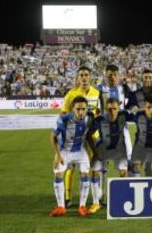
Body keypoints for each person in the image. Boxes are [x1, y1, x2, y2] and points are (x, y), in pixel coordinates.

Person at [61, 66, 100, 209]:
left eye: (86, 74)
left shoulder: (96, 92)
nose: (84, 77)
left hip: (92, 134)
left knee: (94, 165)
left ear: (90, 76)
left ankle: (96, 198)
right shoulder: (71, 94)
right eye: (81, 75)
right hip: (75, 136)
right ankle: (67, 197)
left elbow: (97, 111)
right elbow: (63, 113)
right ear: (77, 77)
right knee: (70, 166)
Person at [49, 96, 94, 217]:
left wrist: (93, 151)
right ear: (72, 109)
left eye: (83, 109)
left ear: (86, 109)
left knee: (85, 174)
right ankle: (61, 207)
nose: (81, 112)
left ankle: (82, 206)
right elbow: (52, 137)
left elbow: (90, 135)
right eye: (78, 109)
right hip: (64, 151)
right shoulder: (63, 119)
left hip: (80, 150)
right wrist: (58, 155)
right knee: (58, 173)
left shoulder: (90, 118)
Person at [87, 98, 134, 214]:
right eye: (109, 109)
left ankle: (124, 199)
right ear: (106, 109)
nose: (112, 112)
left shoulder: (124, 115)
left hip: (120, 150)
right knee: (94, 171)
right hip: (103, 149)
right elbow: (88, 135)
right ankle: (96, 202)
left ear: (119, 108)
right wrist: (94, 152)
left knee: (123, 173)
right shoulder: (99, 120)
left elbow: (140, 116)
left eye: (114, 109)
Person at [127, 69, 152, 176]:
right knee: (145, 161)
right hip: (143, 129)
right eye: (145, 77)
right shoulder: (135, 94)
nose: (148, 79)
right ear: (142, 79)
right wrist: (136, 110)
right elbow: (130, 108)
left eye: (150, 77)